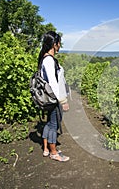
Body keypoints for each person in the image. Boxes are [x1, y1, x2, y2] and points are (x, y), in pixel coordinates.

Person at [37, 31, 70, 162]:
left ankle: (46, 148)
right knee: (53, 125)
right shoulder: (49, 60)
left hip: (49, 98)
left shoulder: (45, 58)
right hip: (53, 98)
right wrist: (63, 101)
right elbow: (53, 83)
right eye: (59, 43)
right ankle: (53, 152)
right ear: (55, 44)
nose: (60, 46)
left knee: (49, 123)